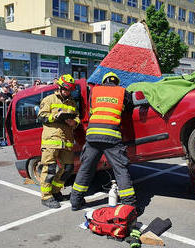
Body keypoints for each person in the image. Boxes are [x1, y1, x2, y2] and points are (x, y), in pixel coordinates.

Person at [70, 72, 137, 211]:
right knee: (120, 170)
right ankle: (129, 205)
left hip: (93, 135)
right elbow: (130, 106)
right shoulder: (122, 91)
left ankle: (76, 202)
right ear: (116, 82)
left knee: (85, 169)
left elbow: (92, 111)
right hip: (111, 136)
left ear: (104, 81)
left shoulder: (95, 91)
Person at [37, 74, 80, 209]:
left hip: (66, 141)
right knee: (49, 169)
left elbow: (77, 118)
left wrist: (74, 122)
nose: (68, 93)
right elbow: (42, 117)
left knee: (68, 168)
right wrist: (55, 116)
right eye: (66, 90)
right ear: (60, 87)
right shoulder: (49, 99)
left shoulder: (72, 102)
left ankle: (56, 191)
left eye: (70, 91)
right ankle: (46, 196)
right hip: (51, 141)